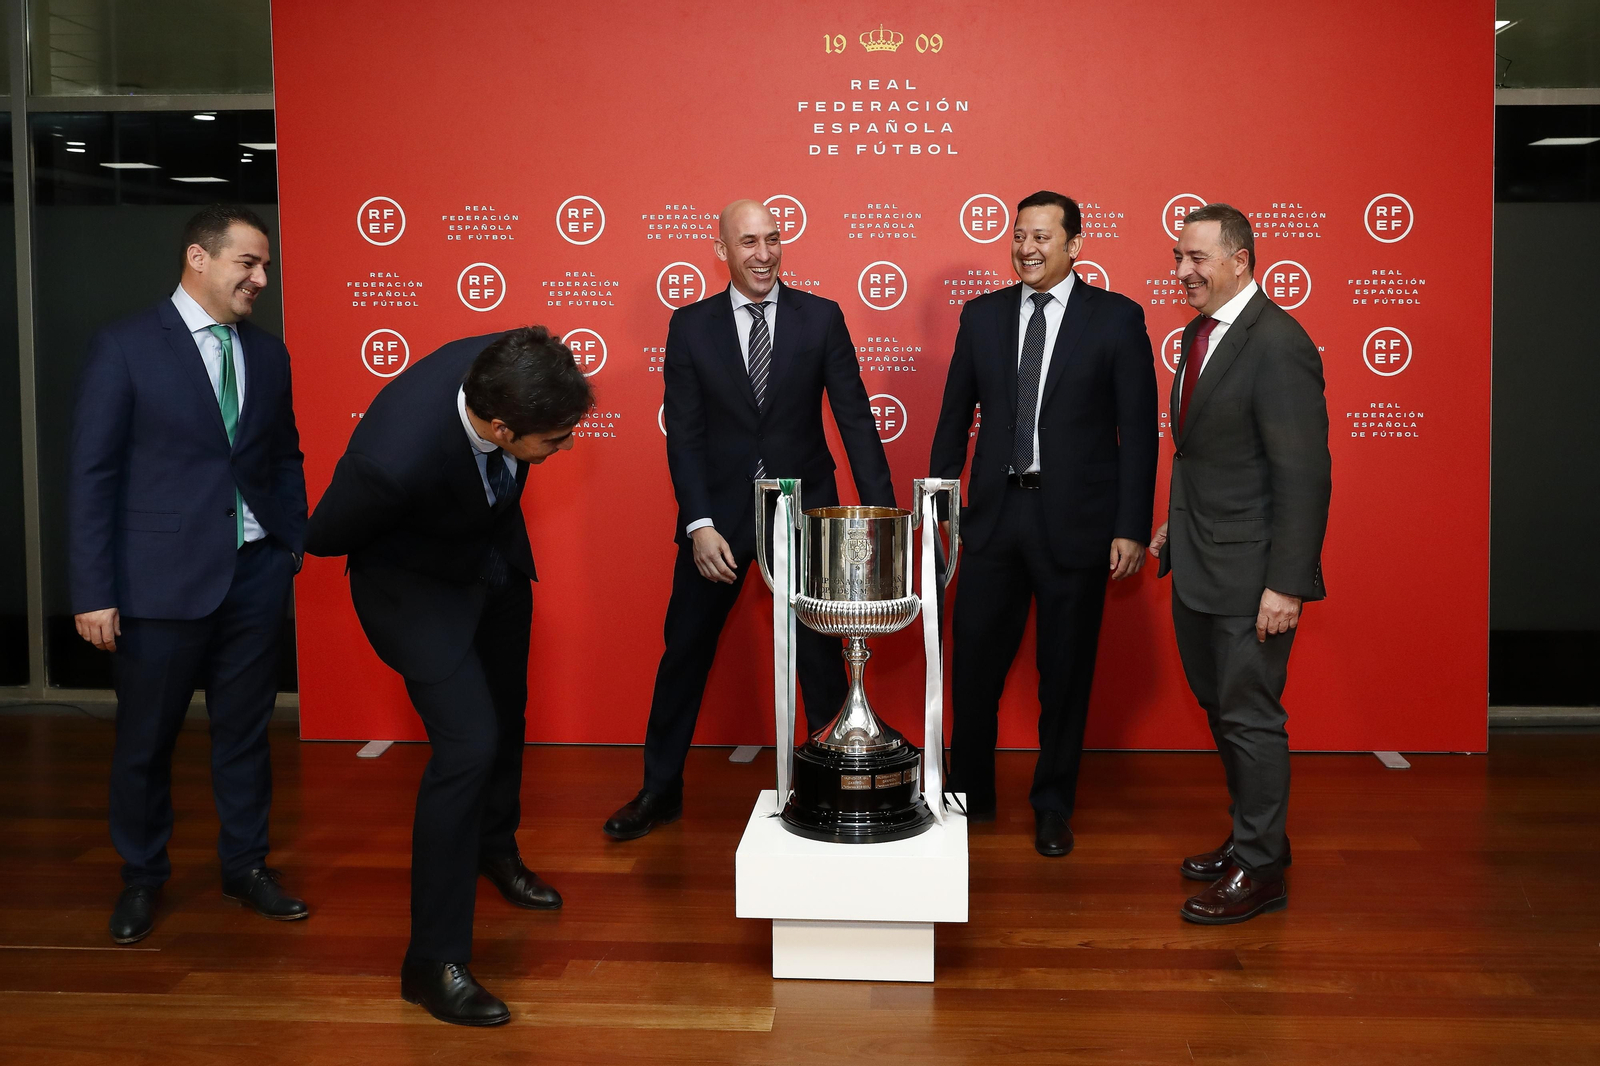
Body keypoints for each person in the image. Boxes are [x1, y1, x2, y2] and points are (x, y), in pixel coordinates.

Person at [304, 326, 592, 1025]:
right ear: (500, 425)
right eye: (553, 440)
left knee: (506, 714)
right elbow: (326, 534)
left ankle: (495, 850)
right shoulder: (392, 460)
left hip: (490, 561)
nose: (564, 450)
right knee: (467, 748)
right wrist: (425, 518)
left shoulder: (506, 361)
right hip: (415, 590)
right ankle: (431, 963)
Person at [603, 199, 896, 841]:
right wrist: (698, 522)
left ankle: (829, 785)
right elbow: (683, 433)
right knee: (685, 653)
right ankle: (659, 790)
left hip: (807, 517)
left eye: (774, 239)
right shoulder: (691, 326)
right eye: (749, 243)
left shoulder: (820, 318)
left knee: (822, 660)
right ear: (722, 251)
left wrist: (877, 517)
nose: (764, 255)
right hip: (720, 522)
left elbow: (854, 419)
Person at [69, 205, 309, 945]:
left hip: (255, 576)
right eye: (248, 263)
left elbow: (284, 455)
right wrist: (93, 591)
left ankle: (246, 867)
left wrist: (290, 541)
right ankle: (142, 877)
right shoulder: (126, 347)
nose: (260, 279)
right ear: (199, 259)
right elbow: (92, 476)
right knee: (147, 740)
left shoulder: (267, 356)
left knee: (244, 734)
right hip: (159, 585)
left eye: (264, 265)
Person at [928, 190, 1158, 857]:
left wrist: (1130, 526)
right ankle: (970, 795)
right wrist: (942, 506)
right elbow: (952, 419)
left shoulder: (1117, 320)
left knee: (1066, 674)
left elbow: (1137, 434)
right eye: (1019, 236)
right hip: (993, 522)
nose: (1026, 248)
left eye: (1042, 238)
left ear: (1075, 245)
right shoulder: (983, 316)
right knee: (974, 669)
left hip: (1077, 524)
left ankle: (1053, 804)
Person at [1148, 203, 1331, 925]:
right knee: (1222, 710)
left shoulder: (1278, 341)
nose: (1183, 272)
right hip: (1201, 560)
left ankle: (1261, 872)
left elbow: (1303, 475)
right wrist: (1174, 523)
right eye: (1178, 257)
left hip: (1253, 576)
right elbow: (1208, 453)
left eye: (1197, 259)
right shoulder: (1202, 334)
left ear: (1240, 260)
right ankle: (1256, 838)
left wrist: (1285, 583)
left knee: (1250, 717)